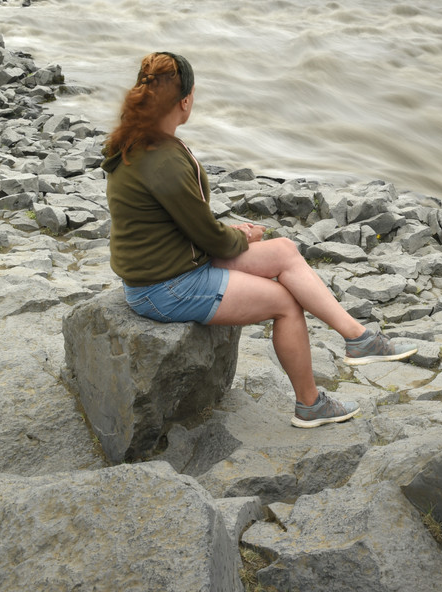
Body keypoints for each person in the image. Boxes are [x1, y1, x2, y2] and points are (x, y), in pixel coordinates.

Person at [101, 51, 416, 428]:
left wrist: (234, 235)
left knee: (283, 250)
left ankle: (358, 337)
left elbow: (181, 224)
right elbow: (208, 238)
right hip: (165, 286)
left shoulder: (139, 141)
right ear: (185, 100)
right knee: (285, 303)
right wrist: (238, 237)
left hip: (171, 262)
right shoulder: (163, 161)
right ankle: (310, 404)